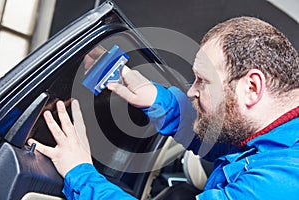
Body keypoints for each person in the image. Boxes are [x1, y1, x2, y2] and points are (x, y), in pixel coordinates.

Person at [27, 16, 299, 199]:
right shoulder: (276, 132)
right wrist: (158, 100)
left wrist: (79, 172)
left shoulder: (278, 183)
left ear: (251, 88)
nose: (192, 90)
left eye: (203, 81)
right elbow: (220, 140)